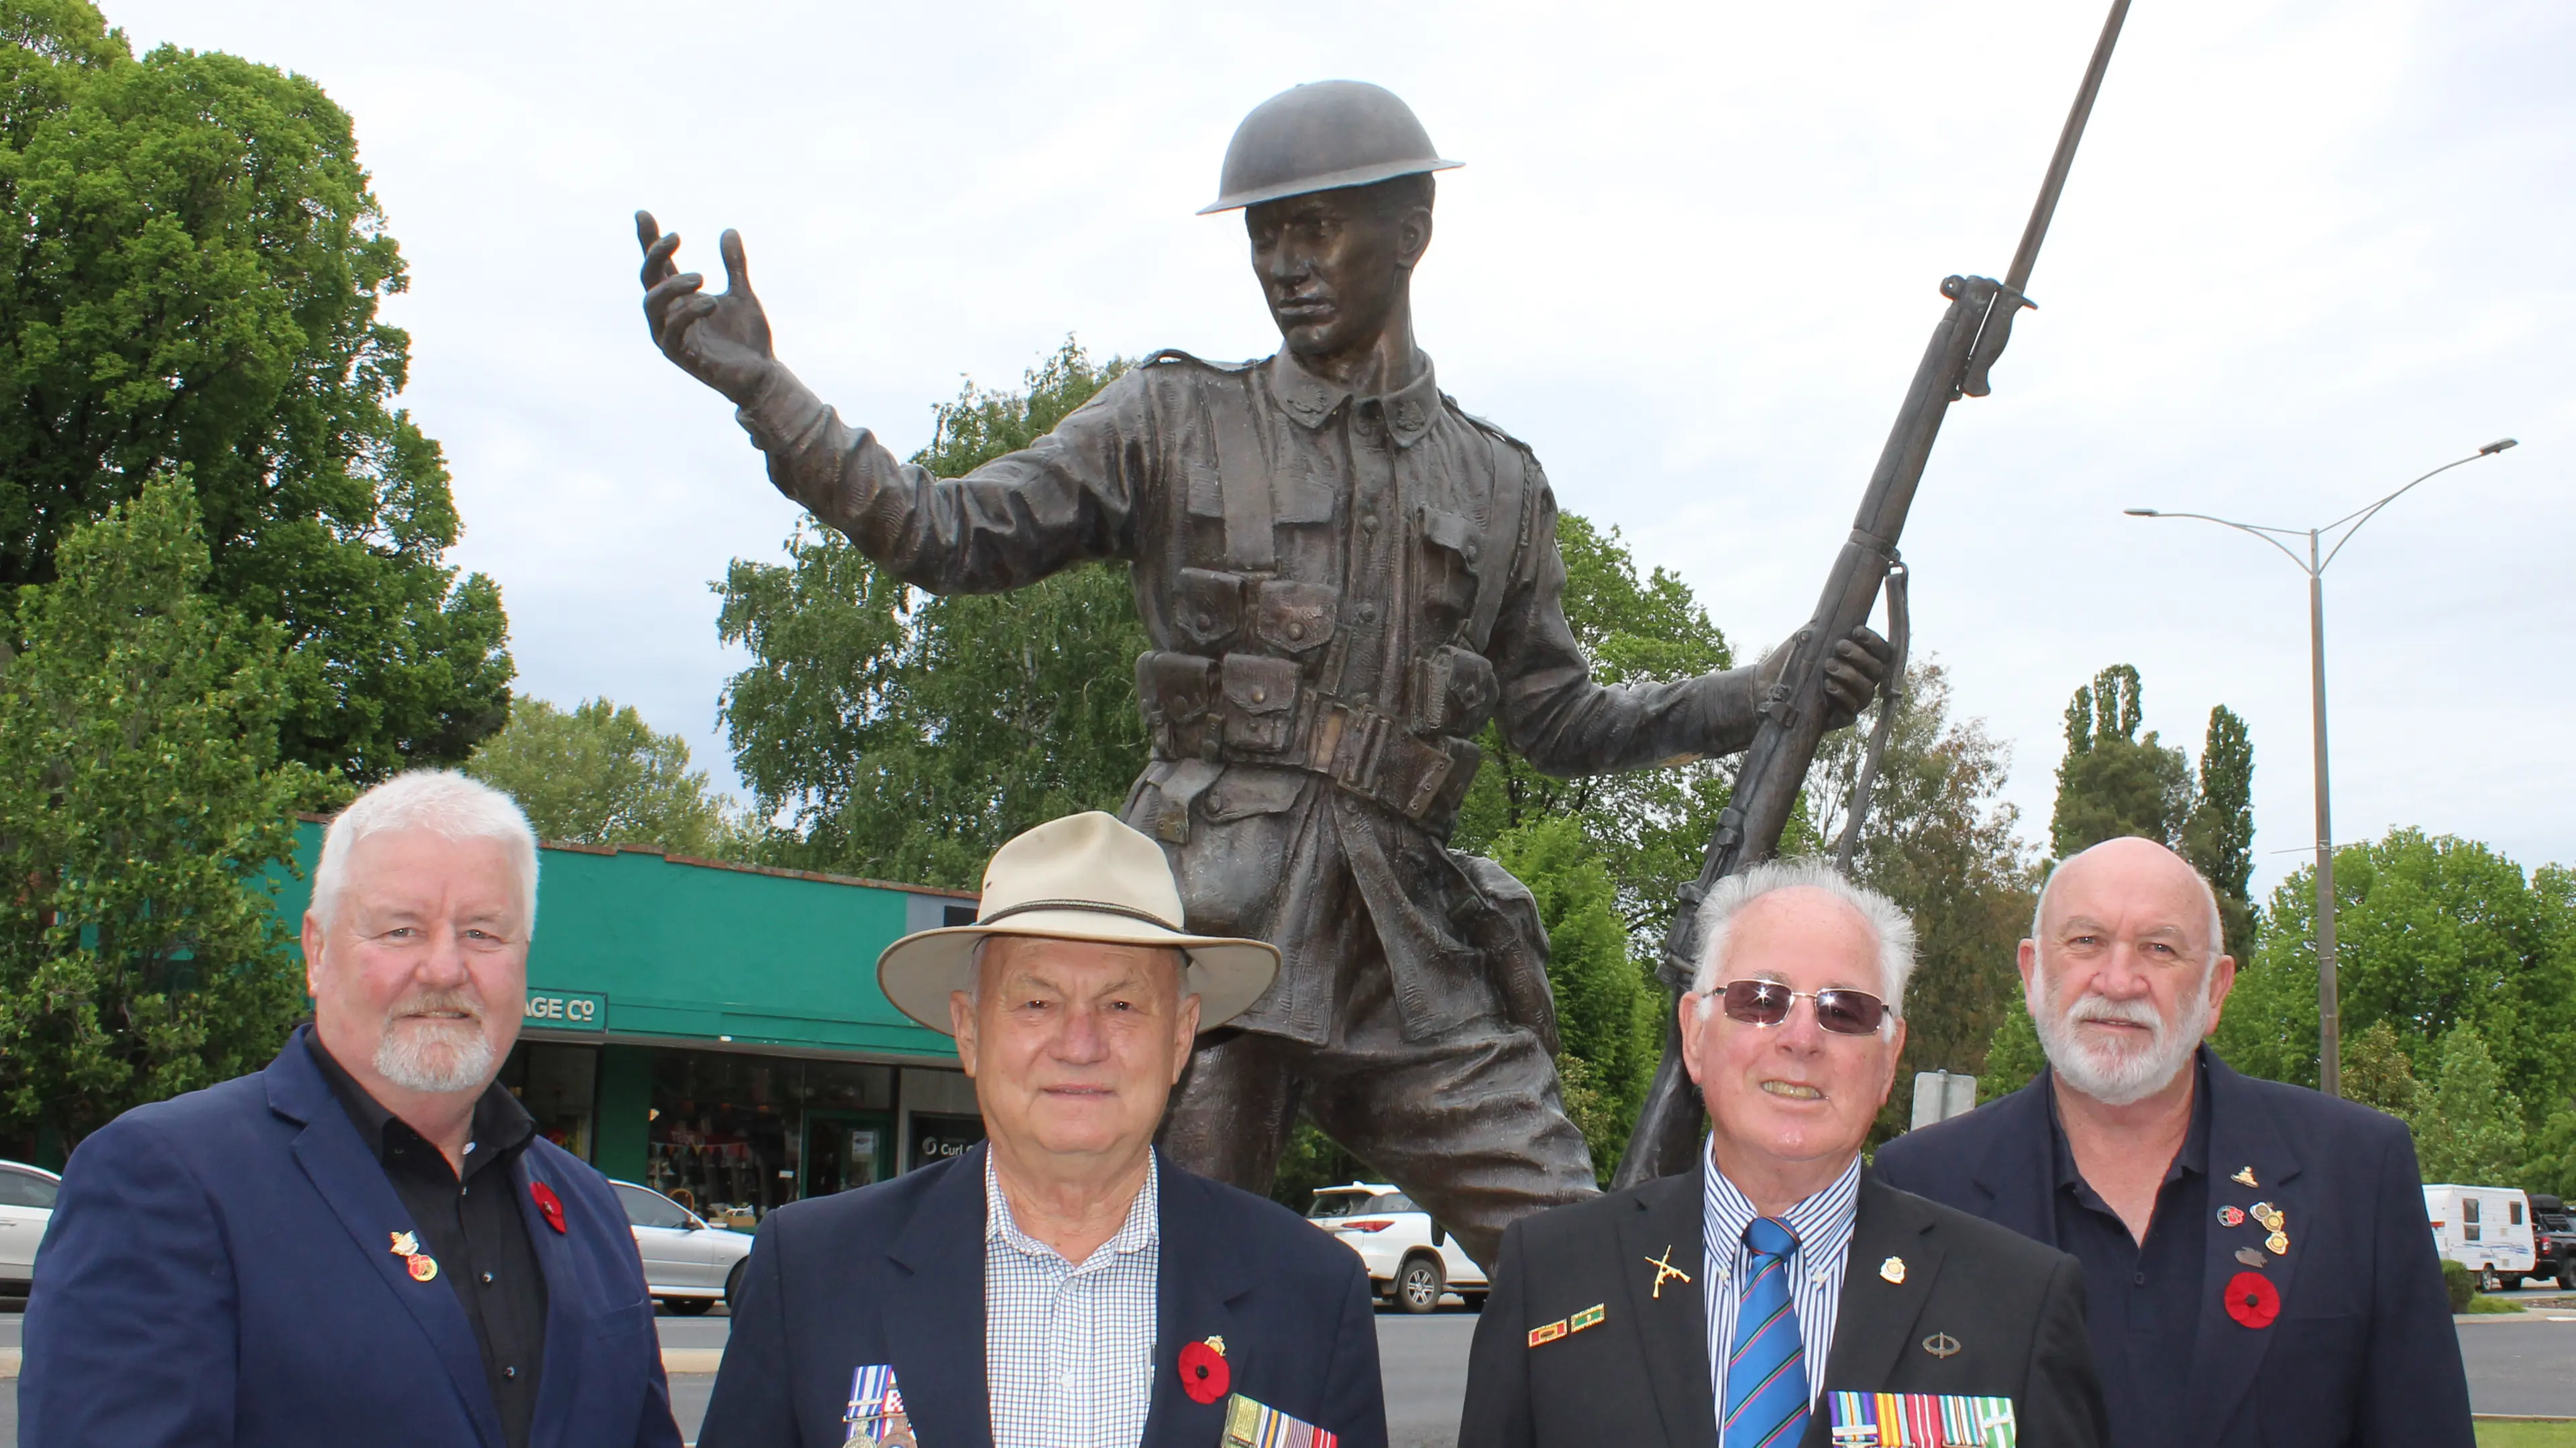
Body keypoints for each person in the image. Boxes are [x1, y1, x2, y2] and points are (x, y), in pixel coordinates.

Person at [635, 80, 1890, 1264]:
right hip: (1211, 936)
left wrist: (1757, 691)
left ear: (1412, 231)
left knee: (1590, 1261)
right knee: (1169, 1287)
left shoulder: (1498, 481)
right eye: (1266, 236)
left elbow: (1557, 716)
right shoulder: (1171, 420)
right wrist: (765, 391)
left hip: (1410, 955)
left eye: (1318, 231)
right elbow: (943, 530)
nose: (1286, 263)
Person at [19, 772, 680, 1448]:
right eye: (402, 929)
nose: (445, 967)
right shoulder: (165, 1180)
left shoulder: (589, 1206)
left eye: (483, 933)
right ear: (316, 949)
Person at [696, 811, 1386, 1448]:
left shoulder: (1313, 1291)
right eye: (1035, 1000)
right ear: (969, 1031)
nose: (1079, 1043)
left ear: (1180, 1037)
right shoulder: (810, 1272)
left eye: (1121, 1003)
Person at [1461, 860, 2106, 1448]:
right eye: (1760, 1000)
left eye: (1843, 1010)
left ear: (1889, 1061)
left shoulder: (2018, 1302)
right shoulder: (1549, 1274)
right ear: (1693, 1034)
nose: (1801, 1038)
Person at [1874, 836, 2473, 1448]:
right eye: (2086, 941)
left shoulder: (2356, 1172)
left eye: (2160, 948)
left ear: (2215, 988)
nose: (2119, 980)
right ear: (2033, 972)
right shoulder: (1920, 1188)